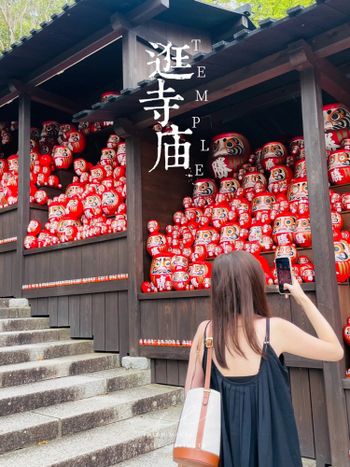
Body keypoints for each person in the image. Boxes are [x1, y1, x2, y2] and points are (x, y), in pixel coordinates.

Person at [184, 251, 344, 467]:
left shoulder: (205, 331)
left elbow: (191, 394)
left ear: (217, 288)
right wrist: (301, 297)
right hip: (274, 448)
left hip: (222, 448)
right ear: (255, 285)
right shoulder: (274, 329)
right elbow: (335, 351)